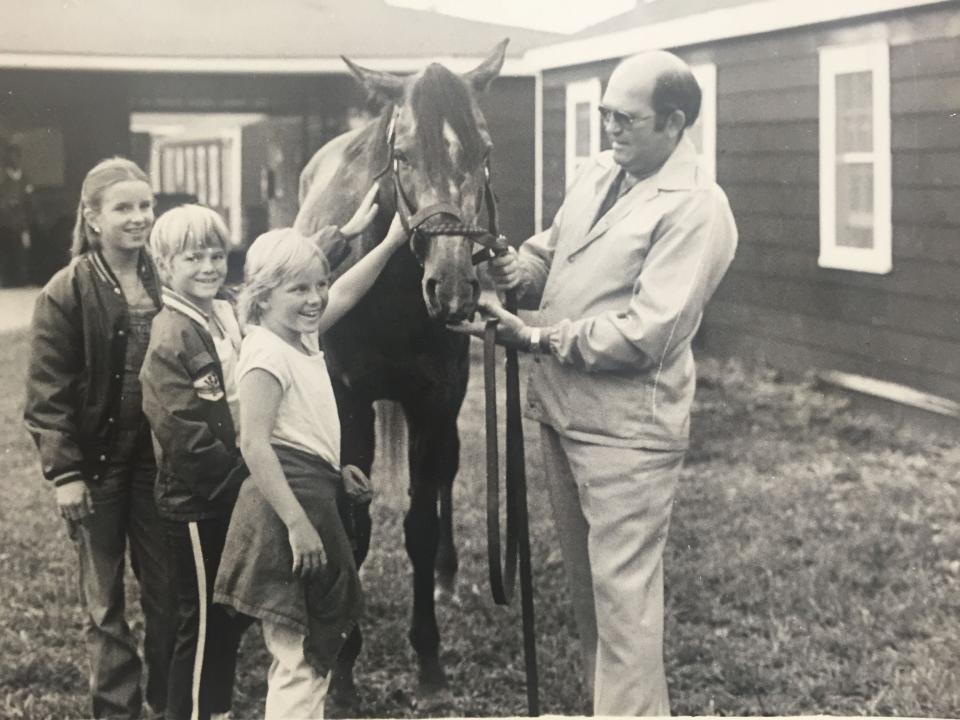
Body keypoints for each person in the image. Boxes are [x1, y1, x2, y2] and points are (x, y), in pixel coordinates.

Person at [452, 50, 738, 716]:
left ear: (673, 123)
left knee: (625, 607)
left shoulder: (697, 208)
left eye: (626, 119)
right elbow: (550, 255)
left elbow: (648, 334)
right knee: (592, 600)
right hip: (563, 412)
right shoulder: (599, 172)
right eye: (605, 113)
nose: (609, 127)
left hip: (626, 434)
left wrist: (537, 338)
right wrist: (509, 265)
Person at [214, 201, 407, 719]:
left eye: (318, 285)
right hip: (285, 514)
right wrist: (298, 523)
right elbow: (255, 443)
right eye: (298, 289)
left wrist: (389, 243)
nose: (316, 298)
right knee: (299, 655)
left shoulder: (300, 339)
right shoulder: (265, 353)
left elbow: (345, 292)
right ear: (261, 294)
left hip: (310, 495)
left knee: (307, 656)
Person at [23, 157, 176, 719]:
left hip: (157, 468)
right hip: (96, 469)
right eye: (124, 208)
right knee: (104, 605)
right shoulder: (66, 292)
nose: (139, 218)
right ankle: (117, 709)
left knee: (170, 596)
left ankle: (167, 701)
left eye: (146, 206)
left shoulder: (169, 278)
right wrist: (65, 474)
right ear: (92, 218)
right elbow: (47, 394)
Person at [139, 204, 247, 720]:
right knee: (202, 622)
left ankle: (217, 710)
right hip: (198, 505)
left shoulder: (222, 312)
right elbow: (184, 435)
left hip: (229, 496)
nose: (208, 267)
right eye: (192, 258)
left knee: (225, 616)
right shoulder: (171, 334)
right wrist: (240, 488)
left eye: (216, 255)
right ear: (164, 266)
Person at [0, 142, 33, 287]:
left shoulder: (24, 178)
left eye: (15, 156)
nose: (13, 159)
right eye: (9, 156)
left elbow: (28, 201)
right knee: (4, 252)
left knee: (21, 252)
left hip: (19, 222)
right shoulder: (2, 177)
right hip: (3, 221)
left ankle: (22, 281)